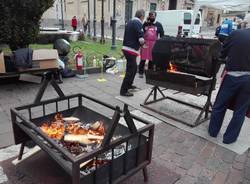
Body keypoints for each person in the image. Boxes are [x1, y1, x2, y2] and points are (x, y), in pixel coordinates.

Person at [208, 13, 250, 144]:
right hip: (248, 80)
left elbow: (222, 53)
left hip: (232, 76)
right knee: (240, 111)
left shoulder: (236, 34)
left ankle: (213, 132)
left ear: (246, 22)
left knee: (220, 105)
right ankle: (229, 139)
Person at [120, 9, 145, 97]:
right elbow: (141, 38)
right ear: (142, 16)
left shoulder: (130, 21)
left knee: (132, 69)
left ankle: (129, 85)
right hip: (131, 49)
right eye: (143, 17)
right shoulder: (138, 23)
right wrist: (144, 44)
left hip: (126, 48)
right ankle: (123, 90)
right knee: (131, 70)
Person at [138, 11, 164, 78]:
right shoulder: (145, 24)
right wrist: (146, 23)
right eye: (151, 16)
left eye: (153, 16)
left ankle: (149, 73)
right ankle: (140, 72)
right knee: (143, 59)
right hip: (145, 43)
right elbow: (141, 32)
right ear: (149, 16)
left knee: (151, 59)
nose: (152, 17)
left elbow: (162, 35)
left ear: (155, 17)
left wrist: (160, 43)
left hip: (154, 44)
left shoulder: (159, 25)